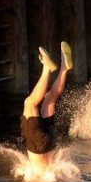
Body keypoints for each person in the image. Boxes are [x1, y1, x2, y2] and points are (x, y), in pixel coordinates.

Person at [20, 42, 73, 174]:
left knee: (50, 98)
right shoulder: (39, 179)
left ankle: (64, 68)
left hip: (49, 141)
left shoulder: (50, 173)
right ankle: (46, 68)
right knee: (29, 103)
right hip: (38, 144)